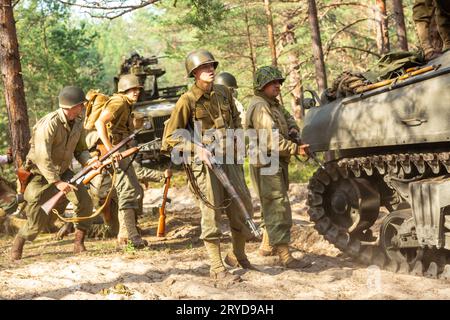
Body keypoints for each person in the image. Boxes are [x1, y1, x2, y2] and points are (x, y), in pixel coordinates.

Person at [162, 49, 255, 283]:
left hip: (229, 157)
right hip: (204, 163)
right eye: (205, 67)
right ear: (194, 73)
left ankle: (238, 255)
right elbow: (171, 137)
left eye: (212, 66)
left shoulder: (224, 93)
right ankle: (216, 267)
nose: (210, 70)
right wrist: (198, 149)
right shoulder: (187, 101)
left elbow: (234, 118)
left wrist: (236, 136)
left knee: (242, 204)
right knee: (211, 212)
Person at [10, 86, 96, 261]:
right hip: (40, 174)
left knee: (84, 201)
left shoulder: (78, 122)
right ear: (72, 106)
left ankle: (79, 242)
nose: (83, 108)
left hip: (63, 172)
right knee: (37, 215)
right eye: (81, 105)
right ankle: (19, 242)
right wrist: (57, 183)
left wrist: (90, 161)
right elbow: (42, 158)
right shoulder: (49, 123)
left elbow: (80, 149)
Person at [245, 66, 310, 269]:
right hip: (267, 162)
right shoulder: (260, 106)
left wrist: (292, 129)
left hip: (274, 161)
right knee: (278, 206)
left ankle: (266, 246)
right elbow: (270, 140)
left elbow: (288, 117)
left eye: (279, 82)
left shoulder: (272, 104)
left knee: (272, 205)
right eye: (273, 83)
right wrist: (295, 148)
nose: (278, 86)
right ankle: (285, 256)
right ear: (262, 86)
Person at [89, 74, 152, 249]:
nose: (136, 92)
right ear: (124, 90)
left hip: (121, 150)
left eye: (138, 89)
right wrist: (111, 150)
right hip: (116, 151)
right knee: (128, 191)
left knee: (133, 189)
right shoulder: (118, 102)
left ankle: (126, 235)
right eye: (132, 89)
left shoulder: (126, 104)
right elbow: (100, 123)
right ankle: (129, 237)